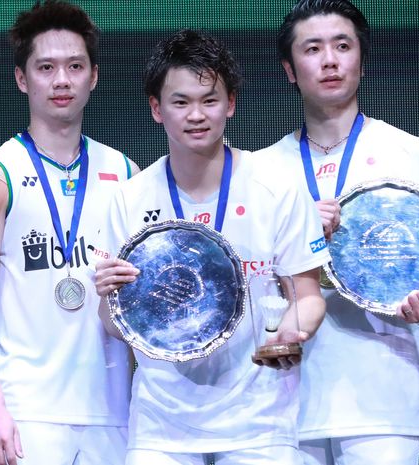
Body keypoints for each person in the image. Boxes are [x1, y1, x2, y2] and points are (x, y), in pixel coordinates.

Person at [93, 29, 329, 465]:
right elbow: (114, 322)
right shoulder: (128, 198)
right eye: (180, 102)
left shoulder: (276, 188)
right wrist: (108, 296)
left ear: (231, 104)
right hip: (161, 426)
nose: (196, 115)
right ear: (156, 109)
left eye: (209, 100)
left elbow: (308, 295)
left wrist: (292, 331)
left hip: (260, 423)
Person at [256, 1, 419, 464]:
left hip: (383, 404)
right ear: (290, 70)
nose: (329, 60)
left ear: (361, 62)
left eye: (342, 46)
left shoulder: (412, 153)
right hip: (278, 405)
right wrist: (296, 231)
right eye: (313, 49)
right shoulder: (260, 170)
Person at [0, 1, 138, 464]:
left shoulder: (124, 173)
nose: (62, 80)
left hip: (114, 409)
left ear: (93, 76)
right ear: (23, 79)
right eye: (46, 67)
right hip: (27, 412)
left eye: (75, 66)